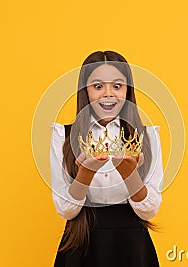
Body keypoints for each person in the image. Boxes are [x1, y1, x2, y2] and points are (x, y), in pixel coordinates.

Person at [50, 50, 163, 267]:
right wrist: (85, 174)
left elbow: (149, 209)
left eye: (117, 86)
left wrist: (130, 175)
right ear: (85, 90)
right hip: (81, 243)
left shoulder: (147, 137)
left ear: (128, 90)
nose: (108, 94)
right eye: (98, 86)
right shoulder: (62, 136)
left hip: (131, 245)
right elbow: (66, 210)